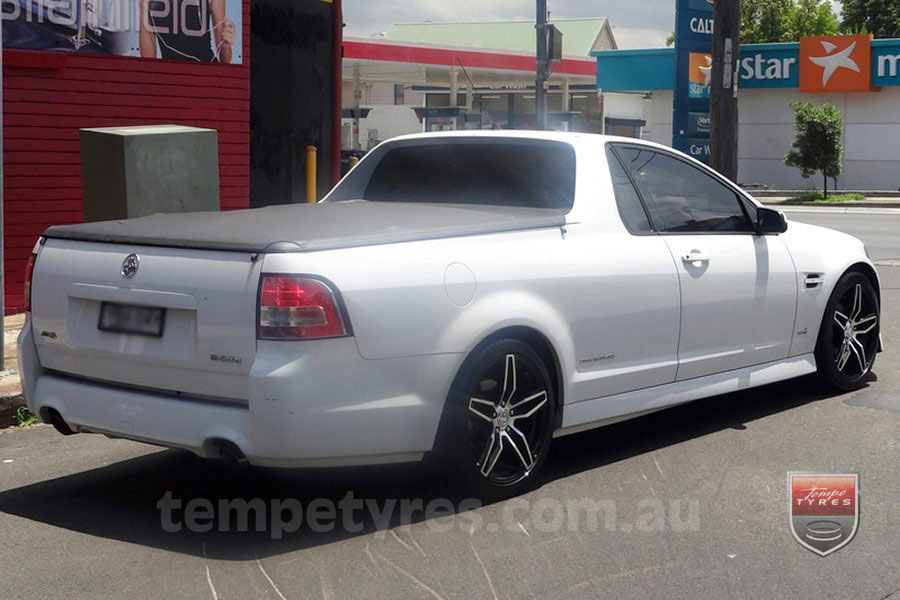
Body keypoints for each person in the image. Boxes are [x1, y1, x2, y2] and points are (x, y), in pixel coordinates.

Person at [139, 0, 236, 63]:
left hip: (204, 74)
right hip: (169, 78)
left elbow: (225, 60)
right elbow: (148, 60)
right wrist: (143, 10)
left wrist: (226, 45)